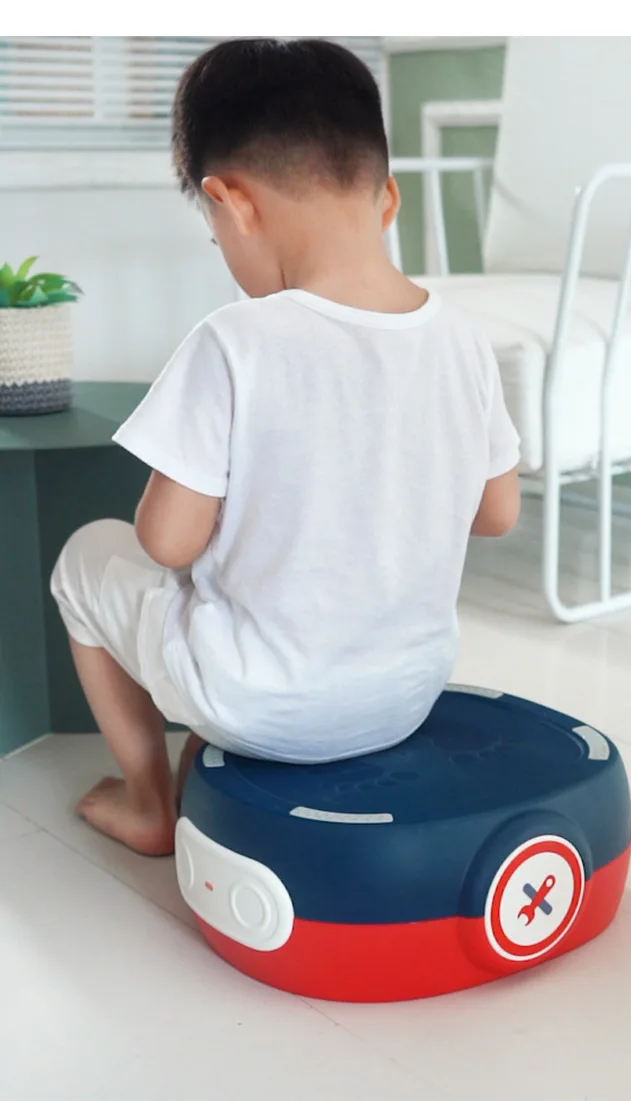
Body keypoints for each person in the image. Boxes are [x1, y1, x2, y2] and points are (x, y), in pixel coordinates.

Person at [50, 38, 521, 857]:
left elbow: (165, 541)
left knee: (87, 557)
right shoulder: (463, 340)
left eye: (215, 236)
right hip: (406, 696)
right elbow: (496, 512)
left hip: (255, 700)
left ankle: (149, 801)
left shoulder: (234, 340)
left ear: (231, 202)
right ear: (387, 200)